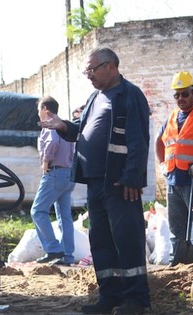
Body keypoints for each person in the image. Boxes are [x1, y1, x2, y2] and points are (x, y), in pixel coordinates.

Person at [38, 47, 151, 314]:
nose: (88, 75)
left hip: (120, 183)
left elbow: (139, 140)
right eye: (86, 70)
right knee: (101, 241)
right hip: (95, 183)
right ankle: (109, 296)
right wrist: (63, 126)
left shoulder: (129, 96)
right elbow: (81, 131)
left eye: (92, 69)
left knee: (127, 240)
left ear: (110, 66)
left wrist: (132, 178)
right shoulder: (95, 97)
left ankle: (136, 301)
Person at [155, 71, 193, 267]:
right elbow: (159, 141)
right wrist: (162, 164)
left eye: (185, 94)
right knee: (176, 226)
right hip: (173, 180)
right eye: (177, 95)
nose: (181, 98)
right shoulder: (172, 117)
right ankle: (178, 263)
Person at [31, 96, 76, 266]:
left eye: (38, 111)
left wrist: (45, 161)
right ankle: (67, 255)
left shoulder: (50, 125)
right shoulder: (65, 125)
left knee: (37, 211)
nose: (38, 114)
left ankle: (53, 249)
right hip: (68, 174)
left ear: (45, 110)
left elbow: (52, 142)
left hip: (55, 173)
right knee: (64, 216)